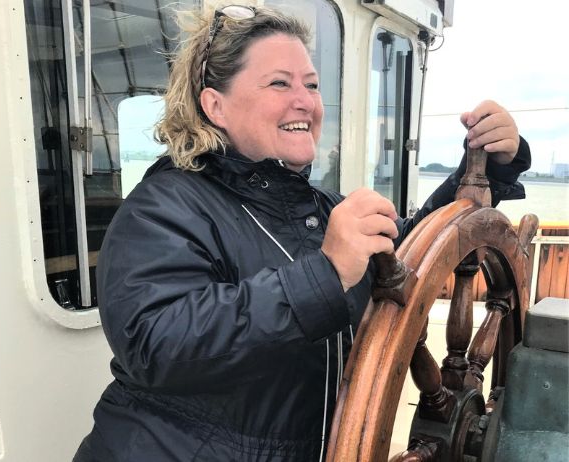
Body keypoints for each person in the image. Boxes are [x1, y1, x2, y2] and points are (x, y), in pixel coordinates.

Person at [73, 5, 530, 461]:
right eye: (279, 83)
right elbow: (155, 345)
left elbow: (413, 254)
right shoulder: (161, 207)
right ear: (216, 106)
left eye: (311, 85)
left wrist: (489, 163)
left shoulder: (320, 208)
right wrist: (325, 276)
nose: (305, 101)